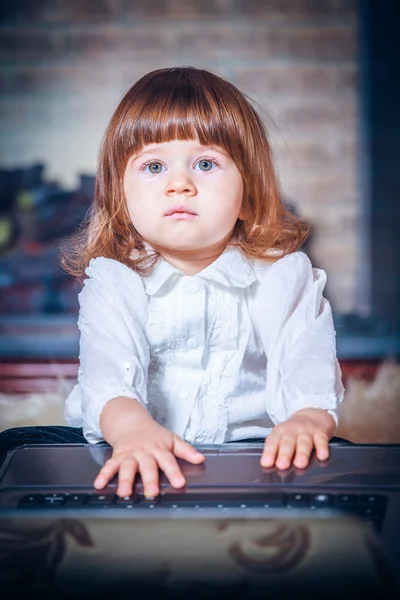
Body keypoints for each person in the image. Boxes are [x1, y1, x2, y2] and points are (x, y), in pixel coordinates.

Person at [1, 66, 346, 499]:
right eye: (154, 166)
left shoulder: (282, 275)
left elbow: (305, 362)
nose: (179, 184)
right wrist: (131, 430)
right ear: (121, 200)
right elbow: (109, 376)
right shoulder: (114, 280)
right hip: (126, 441)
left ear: (249, 195)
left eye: (206, 163)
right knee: (14, 448)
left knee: (339, 456)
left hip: (249, 453)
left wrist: (307, 420)